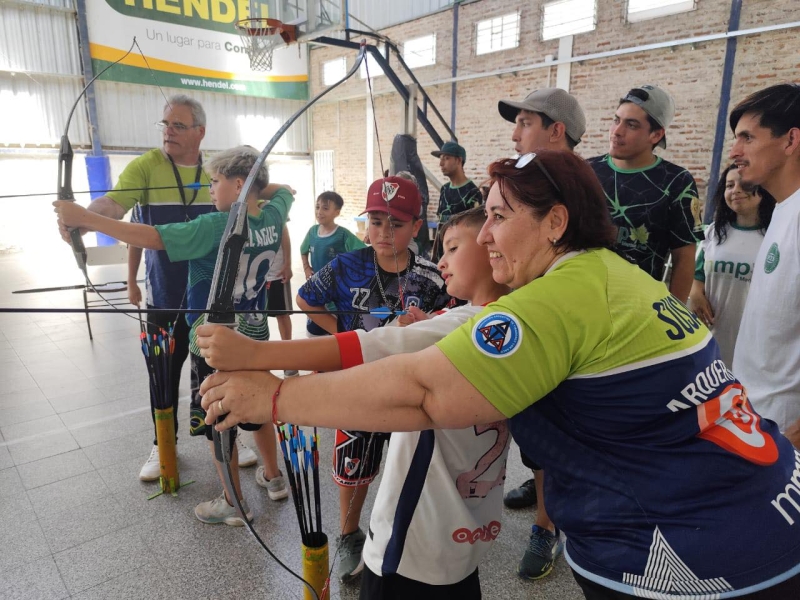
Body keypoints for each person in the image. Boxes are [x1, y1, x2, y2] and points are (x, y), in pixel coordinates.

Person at [201, 150, 800, 600]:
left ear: (556, 223)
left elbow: (425, 394)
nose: (484, 237)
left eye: (496, 217)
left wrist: (275, 395)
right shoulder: (615, 275)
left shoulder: (552, 299)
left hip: (704, 556)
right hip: (764, 512)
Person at [197, 207, 509, 598]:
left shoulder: (464, 325)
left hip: (413, 536)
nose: (441, 260)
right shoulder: (501, 321)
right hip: (467, 530)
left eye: (452, 247)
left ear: (491, 248)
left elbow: (369, 346)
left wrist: (255, 356)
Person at [54, 146, 293, 523]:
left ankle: (233, 503)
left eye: (215, 182)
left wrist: (87, 218)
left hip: (215, 341)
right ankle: (275, 478)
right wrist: (257, 181)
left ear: (237, 184)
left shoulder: (215, 226)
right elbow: (283, 190)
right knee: (258, 406)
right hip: (256, 335)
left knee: (220, 416)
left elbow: (150, 237)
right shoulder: (275, 215)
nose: (209, 189)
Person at [56, 94, 221, 481]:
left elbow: (248, 197)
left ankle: (223, 435)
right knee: (162, 372)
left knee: (214, 369)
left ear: (200, 131)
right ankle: (163, 443)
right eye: (165, 124)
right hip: (164, 296)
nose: (168, 132)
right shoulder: (146, 167)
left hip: (209, 299)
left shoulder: (215, 168)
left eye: (178, 125)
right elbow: (113, 206)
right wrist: (80, 221)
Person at [295, 176, 450, 582]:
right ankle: (348, 535)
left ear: (417, 226)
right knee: (353, 462)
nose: (383, 232)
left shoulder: (433, 276)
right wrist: (342, 337)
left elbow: (454, 317)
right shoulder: (347, 264)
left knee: (412, 461)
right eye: (376, 221)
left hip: (411, 386)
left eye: (395, 224)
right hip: (357, 383)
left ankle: (407, 528)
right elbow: (306, 297)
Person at [496, 86, 587, 579]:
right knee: (532, 423)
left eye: (526, 123)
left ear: (557, 131)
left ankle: (548, 528)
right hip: (526, 314)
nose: (515, 134)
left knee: (560, 423)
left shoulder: (581, 190)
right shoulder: (523, 181)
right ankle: (541, 491)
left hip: (569, 326)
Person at [730, 83, 800, 447]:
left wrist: (792, 441)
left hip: (784, 434)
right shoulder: (783, 209)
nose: (735, 151)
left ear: (790, 141)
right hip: (756, 419)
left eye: (747, 138)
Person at [589, 84, 703, 303]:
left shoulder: (677, 181)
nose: (617, 131)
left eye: (631, 125)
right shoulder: (586, 171)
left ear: (656, 134)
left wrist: (672, 315)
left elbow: (684, 257)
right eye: (616, 120)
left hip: (637, 309)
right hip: (581, 300)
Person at [688, 165, 775, 366]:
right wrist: (695, 294)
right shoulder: (713, 233)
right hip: (711, 336)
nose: (735, 190)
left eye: (744, 184)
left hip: (754, 341)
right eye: (729, 185)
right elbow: (698, 276)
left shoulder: (774, 236)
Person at [300, 191, 366, 337]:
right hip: (317, 287)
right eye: (317, 207)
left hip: (338, 292)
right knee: (314, 328)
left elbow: (362, 252)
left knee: (337, 329)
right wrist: (306, 268)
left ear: (337, 212)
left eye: (325, 208)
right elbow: (303, 250)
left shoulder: (342, 235)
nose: (319, 212)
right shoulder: (312, 232)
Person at [264, 227, 297, 376]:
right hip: (254, 277)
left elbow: (284, 233)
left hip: (277, 273)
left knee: (282, 315)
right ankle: (259, 361)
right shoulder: (242, 206)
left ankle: (287, 357)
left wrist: (287, 264)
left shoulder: (276, 206)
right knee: (255, 319)